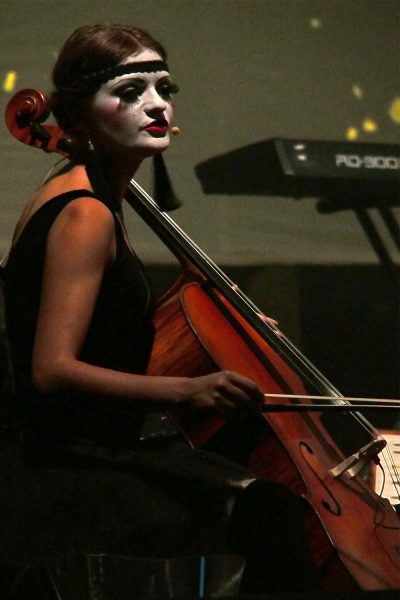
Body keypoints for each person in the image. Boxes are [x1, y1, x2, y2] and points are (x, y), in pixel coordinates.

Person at [2, 24, 319, 596]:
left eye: (163, 88)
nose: (155, 104)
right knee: (269, 512)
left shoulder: (90, 193)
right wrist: (186, 391)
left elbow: (107, 330)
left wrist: (232, 325)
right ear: (77, 119)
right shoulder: (85, 213)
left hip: (88, 446)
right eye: (128, 92)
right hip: (66, 464)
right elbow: (51, 369)